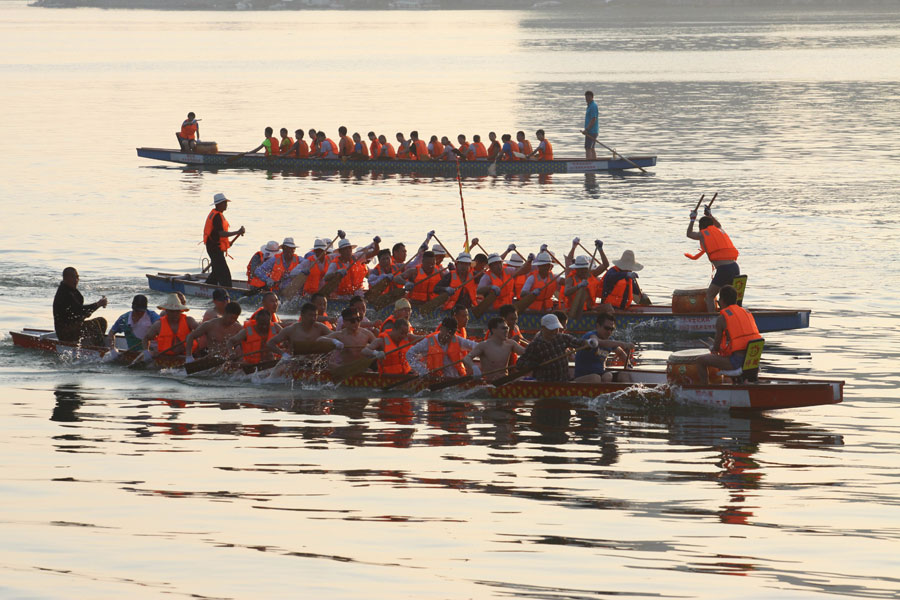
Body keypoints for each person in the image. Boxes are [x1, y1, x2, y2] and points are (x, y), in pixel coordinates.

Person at [686, 206, 741, 312]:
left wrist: (692, 219)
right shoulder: (720, 230)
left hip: (724, 270)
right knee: (728, 297)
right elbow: (719, 225)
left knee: (709, 296)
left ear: (701, 226)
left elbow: (689, 234)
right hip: (735, 267)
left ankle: (712, 318)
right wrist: (710, 215)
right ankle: (732, 314)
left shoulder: (702, 234)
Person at [512, 313, 590, 383]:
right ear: (543, 328)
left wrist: (588, 343)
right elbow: (520, 364)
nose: (555, 332)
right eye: (552, 329)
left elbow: (579, 343)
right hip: (545, 384)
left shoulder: (562, 338)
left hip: (564, 382)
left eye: (556, 329)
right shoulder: (535, 345)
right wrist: (533, 364)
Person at [53, 267, 108, 345]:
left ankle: (93, 344)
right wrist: (98, 304)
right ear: (66, 278)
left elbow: (81, 312)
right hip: (65, 333)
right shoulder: (64, 294)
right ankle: (100, 348)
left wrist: (97, 305)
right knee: (93, 325)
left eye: (77, 277)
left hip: (75, 327)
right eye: (74, 277)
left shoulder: (73, 291)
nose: (76, 280)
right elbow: (80, 311)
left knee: (102, 321)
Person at [406, 317, 477, 378]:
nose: (449, 335)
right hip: (435, 379)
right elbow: (409, 354)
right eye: (448, 332)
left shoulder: (458, 340)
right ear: (441, 329)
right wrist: (422, 371)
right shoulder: (428, 342)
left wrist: (474, 367)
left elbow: (477, 346)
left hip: (456, 379)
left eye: (452, 333)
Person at [574, 313, 634, 382]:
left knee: (621, 375)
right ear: (598, 326)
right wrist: (623, 344)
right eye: (607, 328)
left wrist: (629, 365)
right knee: (596, 378)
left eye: (612, 329)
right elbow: (599, 342)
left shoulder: (610, 341)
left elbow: (620, 353)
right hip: (583, 377)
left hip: (601, 374)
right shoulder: (590, 336)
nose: (609, 332)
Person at [463, 316, 526, 382]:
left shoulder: (511, 343)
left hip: (505, 381)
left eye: (507, 328)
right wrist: (474, 367)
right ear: (493, 330)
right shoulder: (483, 345)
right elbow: (467, 358)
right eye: (503, 328)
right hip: (489, 382)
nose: (506, 331)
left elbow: (526, 353)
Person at [203, 193, 245, 288]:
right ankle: (228, 289)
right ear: (218, 204)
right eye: (224, 203)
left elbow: (218, 234)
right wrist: (237, 232)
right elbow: (221, 233)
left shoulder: (218, 214)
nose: (226, 205)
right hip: (214, 248)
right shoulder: (217, 216)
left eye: (226, 203)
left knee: (217, 271)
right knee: (224, 273)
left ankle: (208, 286)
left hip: (215, 247)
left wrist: (227, 243)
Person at [140, 293, 199, 361]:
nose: (175, 314)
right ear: (166, 311)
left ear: (180, 311)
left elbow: (203, 330)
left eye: (177, 311)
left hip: (189, 356)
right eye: (172, 311)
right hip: (166, 357)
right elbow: (146, 338)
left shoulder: (189, 321)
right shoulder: (158, 325)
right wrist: (146, 352)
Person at [266, 302, 334, 359]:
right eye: (310, 315)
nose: (313, 318)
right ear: (302, 315)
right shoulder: (291, 330)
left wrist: (335, 342)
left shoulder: (320, 327)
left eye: (315, 315)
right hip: (295, 363)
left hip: (315, 363)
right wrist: (283, 354)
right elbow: (270, 343)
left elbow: (336, 336)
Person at [581, 90, 599, 160]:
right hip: (591, 131)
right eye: (586, 97)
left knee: (588, 148)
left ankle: (589, 162)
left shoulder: (593, 106)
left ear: (592, 97)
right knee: (591, 148)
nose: (587, 99)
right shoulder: (589, 106)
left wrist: (587, 129)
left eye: (588, 97)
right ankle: (594, 162)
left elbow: (593, 119)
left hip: (591, 131)